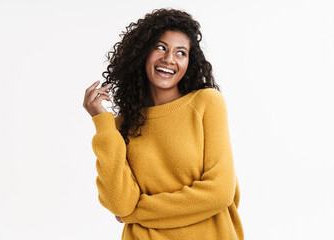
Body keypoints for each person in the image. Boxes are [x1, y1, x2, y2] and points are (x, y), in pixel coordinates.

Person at [83, 8, 244, 240]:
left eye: (181, 52)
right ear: (143, 53)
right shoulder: (119, 128)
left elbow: (219, 192)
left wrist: (136, 212)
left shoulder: (206, 103)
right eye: (161, 47)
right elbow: (120, 204)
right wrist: (102, 122)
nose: (169, 59)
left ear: (189, 61)